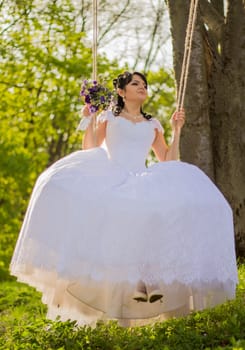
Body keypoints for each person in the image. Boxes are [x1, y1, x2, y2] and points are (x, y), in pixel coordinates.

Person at [10, 71, 238, 327]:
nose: (142, 87)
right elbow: (92, 148)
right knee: (111, 212)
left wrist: (176, 131)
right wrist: (91, 117)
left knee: (153, 214)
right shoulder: (110, 116)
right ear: (121, 92)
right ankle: (118, 281)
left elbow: (167, 160)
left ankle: (145, 280)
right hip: (113, 174)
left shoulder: (153, 124)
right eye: (135, 83)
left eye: (144, 84)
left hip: (141, 177)